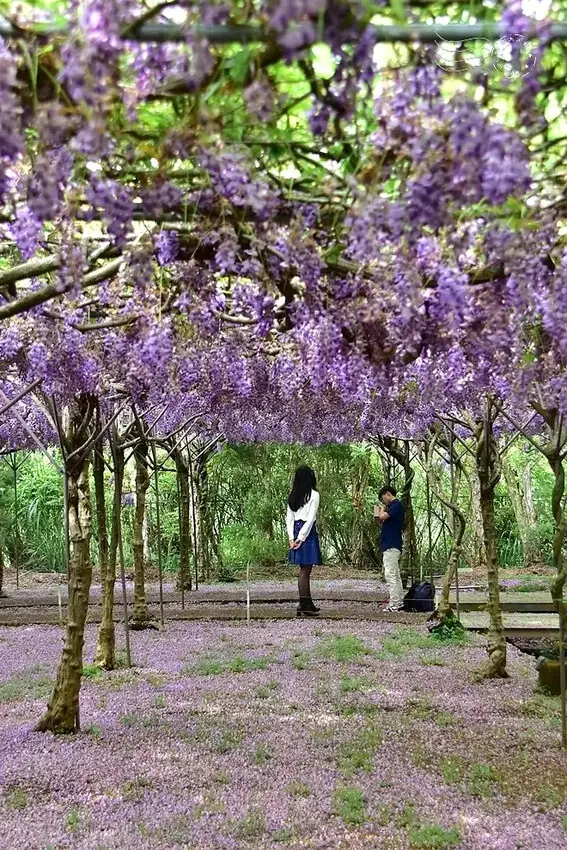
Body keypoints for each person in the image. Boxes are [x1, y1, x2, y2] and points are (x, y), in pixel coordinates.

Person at [286, 465, 322, 617]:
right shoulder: (314, 495)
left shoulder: (293, 495)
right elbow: (311, 518)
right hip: (307, 532)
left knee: (304, 569)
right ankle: (304, 603)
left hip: (296, 529)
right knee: (305, 570)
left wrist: (291, 538)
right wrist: (300, 538)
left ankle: (307, 603)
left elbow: (289, 519)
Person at [374, 485, 405, 612]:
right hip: (391, 544)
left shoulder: (396, 505)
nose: (384, 502)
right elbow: (378, 521)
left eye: (383, 499)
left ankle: (394, 603)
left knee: (391, 575)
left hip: (392, 545)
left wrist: (381, 509)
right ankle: (399, 600)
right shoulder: (394, 507)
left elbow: (382, 517)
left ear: (388, 494)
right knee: (395, 574)